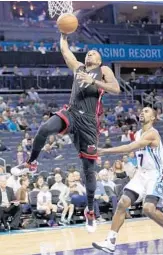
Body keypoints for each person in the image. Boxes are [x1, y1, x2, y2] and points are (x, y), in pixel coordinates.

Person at [22, 33, 120, 233]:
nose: (89, 55)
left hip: (89, 123)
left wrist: (94, 82)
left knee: (88, 170)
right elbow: (66, 53)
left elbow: (116, 89)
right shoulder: (79, 68)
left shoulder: (103, 70)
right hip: (72, 112)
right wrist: (63, 35)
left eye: (93, 53)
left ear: (99, 59)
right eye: (88, 53)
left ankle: (90, 211)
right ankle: (32, 162)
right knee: (44, 129)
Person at [92, 107, 163, 252]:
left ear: (153, 118)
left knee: (148, 208)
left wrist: (104, 151)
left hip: (156, 174)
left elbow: (130, 147)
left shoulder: (152, 134)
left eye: (146, 111)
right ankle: (111, 241)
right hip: (141, 174)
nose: (141, 112)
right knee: (122, 203)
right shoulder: (138, 133)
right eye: (141, 111)